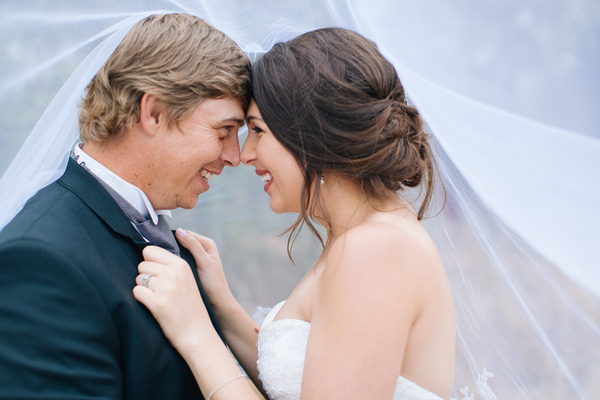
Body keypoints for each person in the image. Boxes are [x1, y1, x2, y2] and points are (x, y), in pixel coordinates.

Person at [133, 27, 456, 400]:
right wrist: (220, 304)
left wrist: (196, 334)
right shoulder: (366, 236)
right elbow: (311, 379)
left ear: (310, 133)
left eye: (257, 131)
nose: (245, 155)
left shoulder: (375, 250)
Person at [0, 13, 251, 399]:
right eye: (224, 131)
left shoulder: (176, 243)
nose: (234, 156)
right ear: (153, 112)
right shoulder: (41, 261)